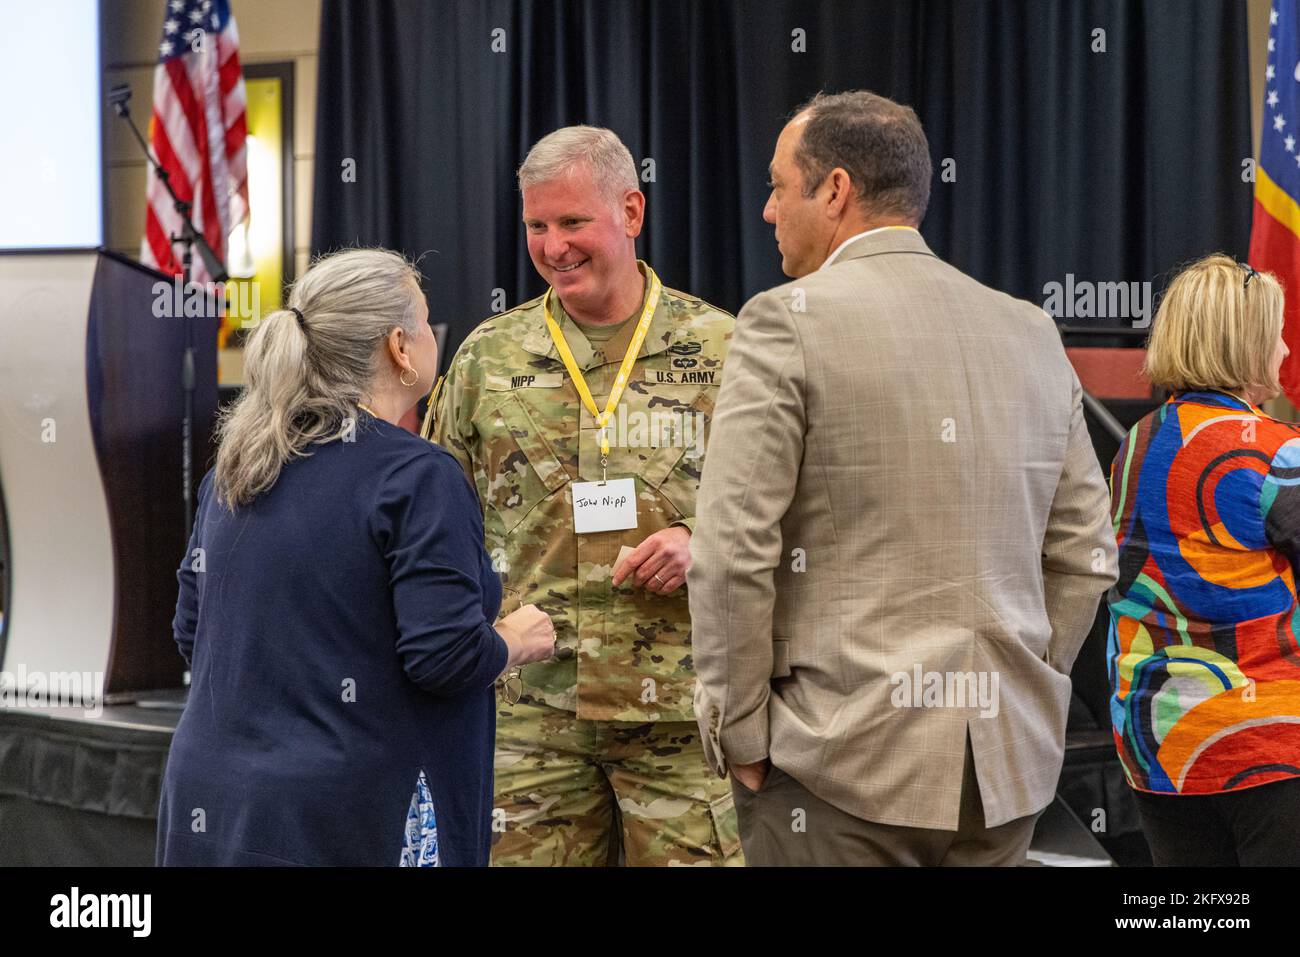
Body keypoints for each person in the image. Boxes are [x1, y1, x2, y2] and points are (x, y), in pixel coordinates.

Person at [687, 90, 1118, 866]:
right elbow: (1087, 551)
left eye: (779, 186)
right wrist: (1025, 682)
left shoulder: (784, 321)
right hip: (1002, 774)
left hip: (840, 769)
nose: (766, 210)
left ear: (837, 190)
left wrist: (739, 730)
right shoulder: (1027, 328)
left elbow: (730, 551)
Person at [157, 248, 554, 867]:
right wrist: (515, 639)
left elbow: (192, 632)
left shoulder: (237, 467)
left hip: (211, 802)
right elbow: (444, 658)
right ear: (400, 345)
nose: (431, 336)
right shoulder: (418, 476)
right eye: (425, 320)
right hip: (352, 812)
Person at [429, 126, 741, 865]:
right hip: (530, 717)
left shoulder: (727, 350)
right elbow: (434, 523)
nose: (552, 245)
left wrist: (707, 545)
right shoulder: (486, 358)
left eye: (572, 221)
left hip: (678, 715)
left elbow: (792, 513)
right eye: (537, 225)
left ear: (631, 212)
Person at [1108, 254, 1300, 866]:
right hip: (1270, 750)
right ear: (1243, 343)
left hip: (1157, 746)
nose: (1286, 350)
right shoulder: (1277, 453)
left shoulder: (1133, 445)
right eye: (1276, 332)